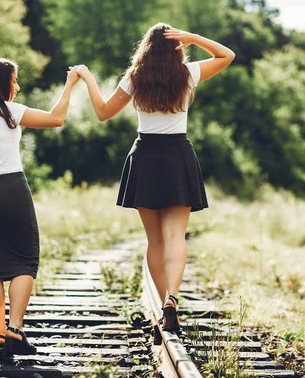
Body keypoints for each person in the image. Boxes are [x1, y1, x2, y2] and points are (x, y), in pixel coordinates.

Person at [76, 23, 235, 332]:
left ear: (145, 48)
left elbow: (103, 112)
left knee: (155, 240)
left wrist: (90, 80)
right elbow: (226, 55)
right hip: (178, 156)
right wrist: (193, 38)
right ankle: (171, 299)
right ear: (177, 48)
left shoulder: (135, 78)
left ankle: (164, 303)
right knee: (176, 236)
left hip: (145, 156)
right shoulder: (187, 74)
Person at [0, 56, 80, 360]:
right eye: (15, 80)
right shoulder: (10, 111)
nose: (18, 86)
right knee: (25, 260)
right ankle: (15, 329)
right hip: (12, 190)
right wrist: (70, 83)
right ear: (3, 82)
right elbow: (56, 118)